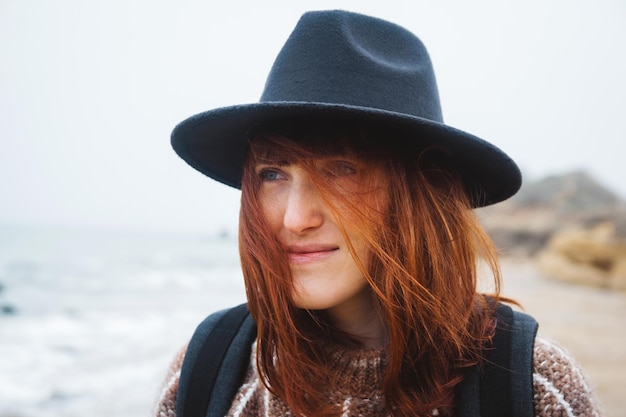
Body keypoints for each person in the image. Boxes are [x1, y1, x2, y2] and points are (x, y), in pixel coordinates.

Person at [155, 10, 602, 417]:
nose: (294, 219)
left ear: (419, 194)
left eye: (340, 171)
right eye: (272, 174)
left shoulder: (530, 385)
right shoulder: (210, 371)